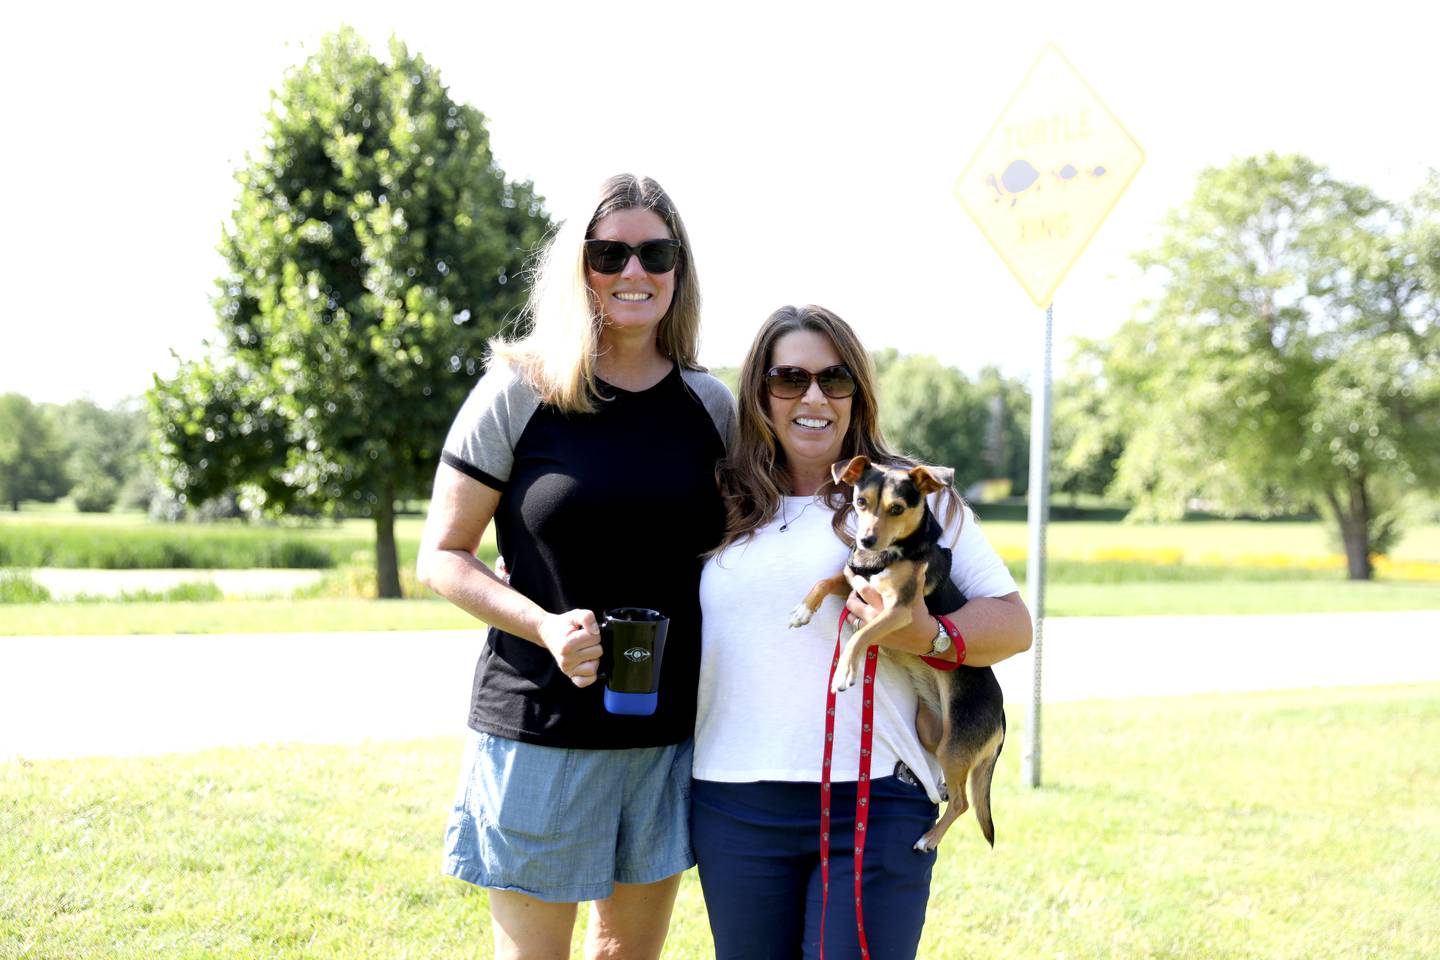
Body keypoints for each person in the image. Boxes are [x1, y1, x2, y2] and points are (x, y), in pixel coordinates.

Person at [417, 174, 734, 960]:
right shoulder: (519, 390)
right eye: (610, 253)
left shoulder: (711, 407)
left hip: (662, 738)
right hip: (539, 729)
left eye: (655, 253)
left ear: (679, 269)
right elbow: (442, 555)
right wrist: (544, 625)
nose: (634, 272)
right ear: (579, 267)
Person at [691, 304, 1032, 960]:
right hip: (731, 800)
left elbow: (1013, 625)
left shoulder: (912, 497)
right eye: (789, 378)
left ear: (858, 393)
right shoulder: (721, 501)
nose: (813, 397)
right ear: (760, 393)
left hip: (874, 801)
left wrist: (930, 637)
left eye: (835, 379)